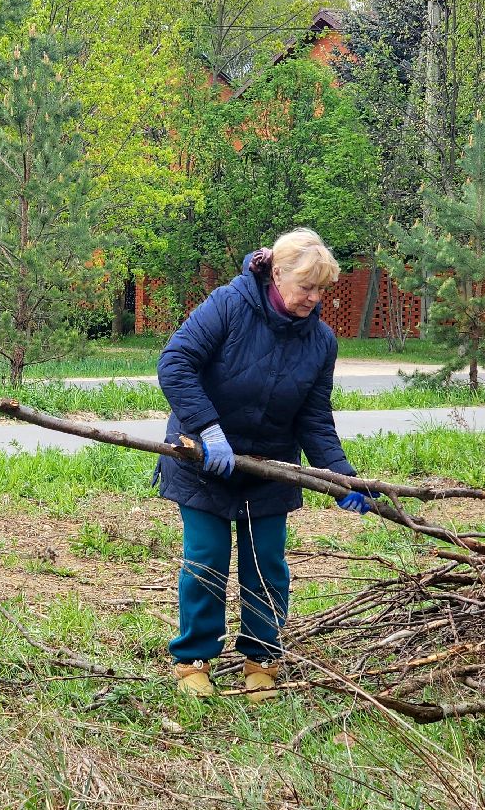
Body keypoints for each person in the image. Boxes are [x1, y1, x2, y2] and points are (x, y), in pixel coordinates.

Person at [154, 228, 375, 701]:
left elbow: (314, 419)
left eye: (321, 290)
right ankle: (193, 660)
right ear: (276, 274)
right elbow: (174, 363)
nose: (314, 299)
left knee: (266, 564)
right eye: (306, 287)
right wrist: (208, 429)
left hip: (271, 468)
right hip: (203, 459)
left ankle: (261, 660)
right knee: (207, 558)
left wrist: (342, 479)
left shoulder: (320, 341)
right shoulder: (229, 305)